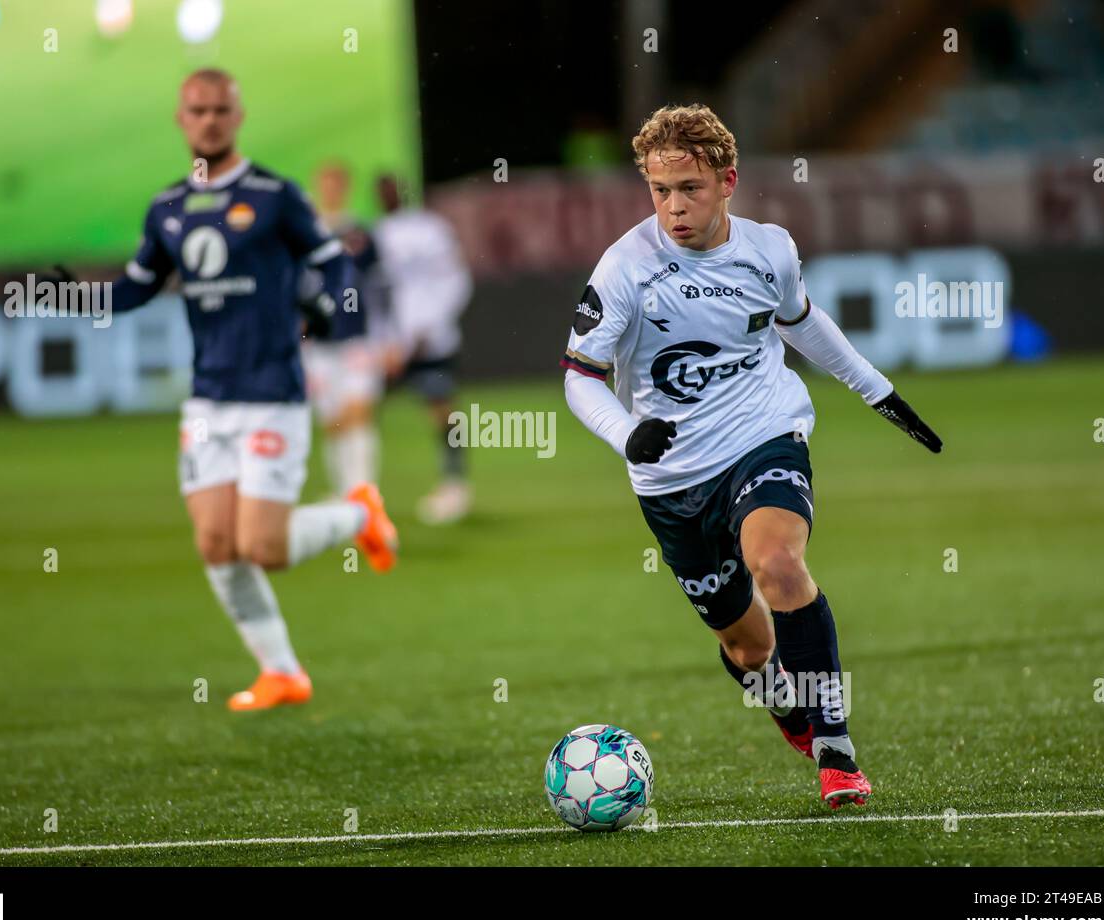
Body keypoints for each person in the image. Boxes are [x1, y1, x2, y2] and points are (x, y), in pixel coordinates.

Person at [561, 104, 943, 807]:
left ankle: (835, 745)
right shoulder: (624, 270)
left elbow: (803, 323)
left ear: (728, 180)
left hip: (762, 435)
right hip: (670, 478)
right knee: (748, 649)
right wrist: (626, 434)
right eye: (659, 190)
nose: (673, 208)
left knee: (778, 561)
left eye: (690, 189)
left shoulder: (769, 250)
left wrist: (878, 392)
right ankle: (785, 704)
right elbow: (579, 377)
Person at [108, 68, 399, 710]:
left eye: (220, 109)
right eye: (197, 110)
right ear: (181, 120)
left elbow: (332, 260)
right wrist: (76, 296)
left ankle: (360, 512)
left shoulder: (274, 195)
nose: (209, 119)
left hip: (272, 393)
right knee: (216, 543)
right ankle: (282, 672)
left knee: (261, 549)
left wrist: (328, 304)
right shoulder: (166, 208)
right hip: (209, 399)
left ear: (237, 117)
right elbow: (137, 284)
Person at [371, 173, 474, 524]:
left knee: (443, 411)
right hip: (389, 346)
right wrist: (385, 340)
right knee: (358, 409)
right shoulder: (375, 235)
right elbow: (376, 296)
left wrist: (429, 328)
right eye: (380, 191)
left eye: (391, 189)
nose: (386, 196)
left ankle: (454, 485)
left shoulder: (431, 229)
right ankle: (357, 489)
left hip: (431, 340)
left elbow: (456, 279)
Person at [300, 161, 384, 495]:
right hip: (317, 344)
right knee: (333, 422)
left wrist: (389, 337)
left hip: (357, 341)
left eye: (337, 183)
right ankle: (343, 493)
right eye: (326, 183)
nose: (331, 190)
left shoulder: (360, 235)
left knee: (358, 413)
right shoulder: (305, 235)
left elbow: (380, 288)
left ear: (345, 188)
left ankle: (364, 492)